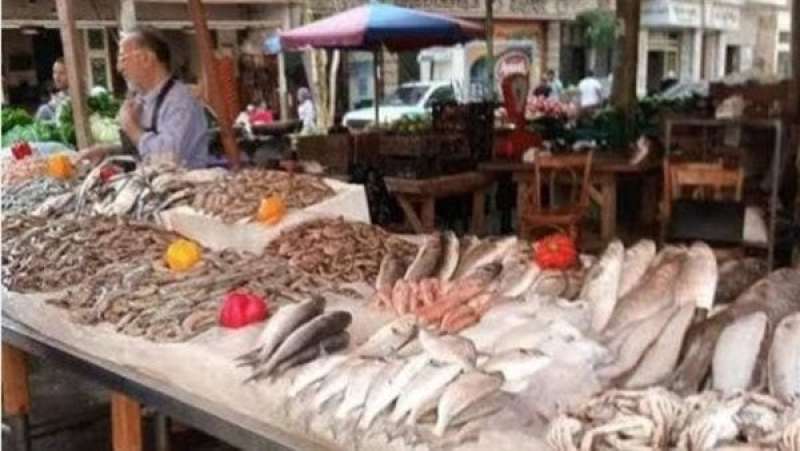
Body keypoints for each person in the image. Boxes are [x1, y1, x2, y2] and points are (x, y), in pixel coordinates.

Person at [78, 26, 209, 168]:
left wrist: (131, 127)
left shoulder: (180, 101)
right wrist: (108, 152)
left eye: (123, 59)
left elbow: (168, 158)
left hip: (182, 181)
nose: (119, 68)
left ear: (146, 59)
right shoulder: (143, 100)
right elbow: (142, 150)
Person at [35, 58, 70, 122]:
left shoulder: (74, 96)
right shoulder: (58, 96)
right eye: (55, 72)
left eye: (61, 73)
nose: (56, 77)